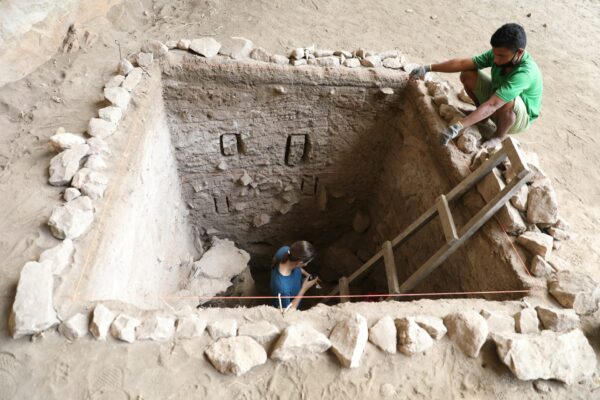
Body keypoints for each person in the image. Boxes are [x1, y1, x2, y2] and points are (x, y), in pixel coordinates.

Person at [410, 23, 543, 148]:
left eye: (501, 56)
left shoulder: (525, 73)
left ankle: (498, 136)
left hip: (517, 119)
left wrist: (458, 127)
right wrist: (428, 68)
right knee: (468, 74)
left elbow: (493, 104)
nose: (496, 60)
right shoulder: (499, 54)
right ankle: (481, 116)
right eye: (495, 53)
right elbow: (462, 63)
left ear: (519, 52)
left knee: (507, 100)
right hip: (497, 100)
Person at [270, 241, 319, 310]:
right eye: (308, 262)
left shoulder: (286, 250)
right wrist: (304, 288)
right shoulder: (283, 288)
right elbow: (288, 310)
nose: (307, 264)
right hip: (288, 303)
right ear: (301, 262)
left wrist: (306, 274)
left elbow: (297, 267)